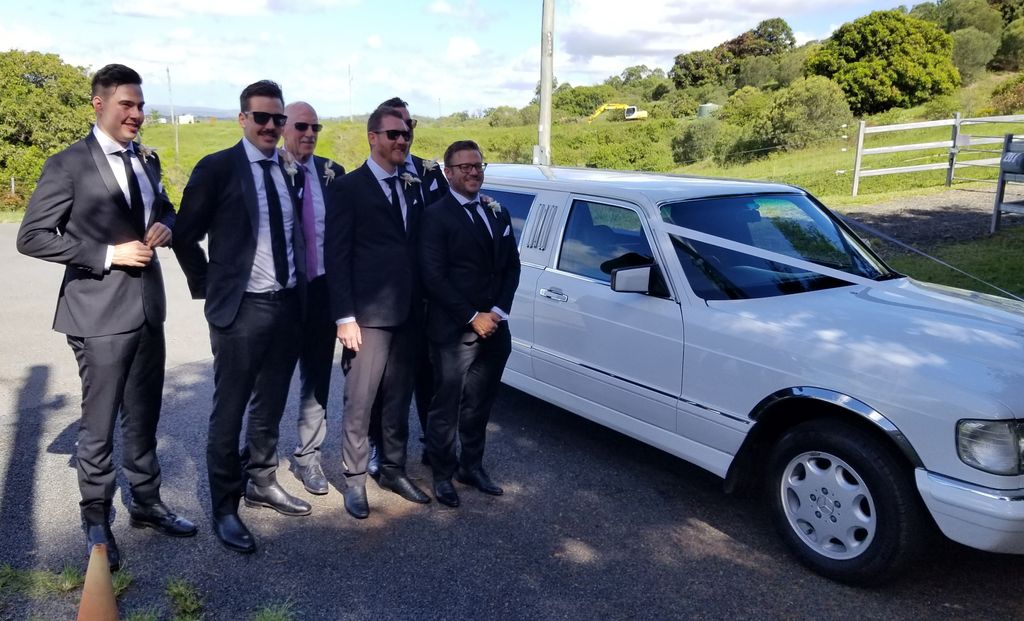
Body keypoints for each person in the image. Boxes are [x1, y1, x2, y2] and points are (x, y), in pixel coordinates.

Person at [16, 64, 196, 571]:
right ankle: (96, 521)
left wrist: (166, 224)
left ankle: (146, 502)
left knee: (144, 416)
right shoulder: (67, 163)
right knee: (98, 427)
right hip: (97, 315)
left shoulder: (146, 158)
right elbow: (31, 236)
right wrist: (108, 254)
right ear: (99, 104)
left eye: (140, 105)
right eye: (127, 105)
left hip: (148, 310)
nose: (137, 114)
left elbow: (165, 207)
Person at [173, 80, 310, 554]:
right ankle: (225, 508)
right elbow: (183, 233)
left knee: (270, 404)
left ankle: (262, 480)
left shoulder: (289, 170)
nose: (271, 126)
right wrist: (208, 287)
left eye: (278, 119)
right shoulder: (217, 168)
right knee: (228, 411)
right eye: (262, 118)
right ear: (243, 119)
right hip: (241, 310)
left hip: (287, 306)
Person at [324, 106, 430, 519]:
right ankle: (353, 479)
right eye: (392, 135)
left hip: (407, 313)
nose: (401, 141)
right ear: (373, 137)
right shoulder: (349, 188)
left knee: (398, 399)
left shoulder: (411, 186)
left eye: (405, 135)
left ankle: (393, 468)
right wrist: (344, 316)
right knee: (360, 401)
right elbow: (338, 256)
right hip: (366, 317)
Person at [419, 140, 521, 508]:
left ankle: (471, 466)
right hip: (453, 331)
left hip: (495, 328)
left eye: (478, 165)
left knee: (480, 403)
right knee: (446, 405)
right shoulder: (435, 216)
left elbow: (512, 266)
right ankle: (443, 474)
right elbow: (433, 276)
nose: (474, 172)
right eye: (464, 167)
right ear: (448, 173)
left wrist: (497, 312)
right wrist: (471, 316)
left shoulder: (497, 211)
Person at [367, 97, 450, 473]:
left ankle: (434, 447)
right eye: (396, 127)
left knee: (429, 378)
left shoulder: (431, 173)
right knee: (384, 384)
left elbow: (448, 224)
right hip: (385, 300)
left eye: (409, 126)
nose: (405, 134)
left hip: (427, 298)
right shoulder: (371, 177)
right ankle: (378, 447)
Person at [281, 101, 344, 495]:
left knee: (317, 381)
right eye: (301, 126)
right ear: (284, 127)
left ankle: (309, 458)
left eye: (315, 127)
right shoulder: (268, 170)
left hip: (322, 291)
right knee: (268, 383)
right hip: (281, 294)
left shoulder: (330, 172)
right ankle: (258, 462)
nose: (309, 133)